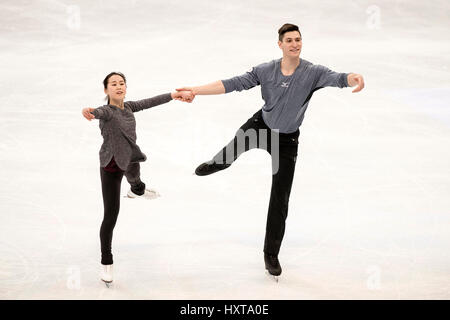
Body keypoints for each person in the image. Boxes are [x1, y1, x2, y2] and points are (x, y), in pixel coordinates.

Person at [177, 23, 365, 278]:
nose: (295, 44)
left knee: (280, 198)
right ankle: (219, 163)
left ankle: (271, 254)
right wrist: (196, 90)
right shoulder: (266, 70)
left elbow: (340, 78)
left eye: (298, 39)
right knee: (232, 149)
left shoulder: (313, 72)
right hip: (260, 127)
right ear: (280, 44)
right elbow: (232, 83)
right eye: (289, 40)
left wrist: (354, 77)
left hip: (286, 142)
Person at [81, 72, 194, 285]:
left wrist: (173, 95)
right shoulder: (107, 111)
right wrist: (88, 112)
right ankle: (107, 261)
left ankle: (137, 190)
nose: (118, 86)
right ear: (106, 90)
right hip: (111, 167)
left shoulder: (130, 107)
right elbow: (96, 112)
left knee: (137, 184)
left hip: (131, 159)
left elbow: (150, 102)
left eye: (121, 83)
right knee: (111, 215)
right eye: (113, 84)